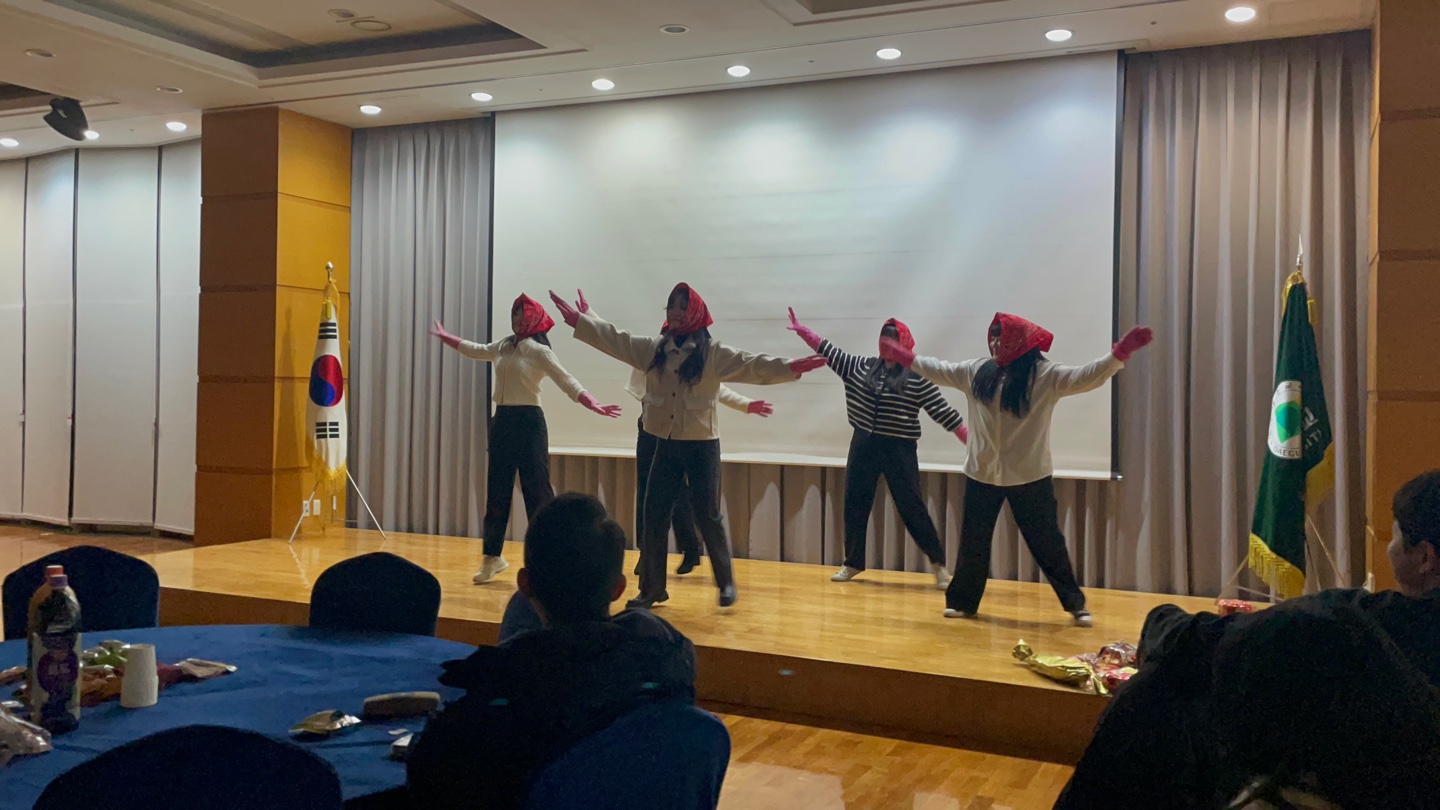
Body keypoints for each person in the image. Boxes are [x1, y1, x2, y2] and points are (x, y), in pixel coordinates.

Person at [1055, 470, 1440, 810]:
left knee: (1152, 694)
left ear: (1425, 558)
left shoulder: (1351, 626)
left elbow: (1208, 644)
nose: (1388, 547)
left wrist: (1161, 620)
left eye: (1394, 535)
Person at [407, 493, 699, 809]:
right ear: (618, 588)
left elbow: (427, 777)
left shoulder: (500, 694)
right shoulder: (666, 666)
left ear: (524, 582)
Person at [550, 284, 826, 609]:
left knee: (707, 515)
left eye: (682, 306)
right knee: (654, 515)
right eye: (671, 306)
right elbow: (618, 340)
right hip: (665, 444)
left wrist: (790, 368)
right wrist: (580, 322)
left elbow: (751, 364)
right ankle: (652, 589)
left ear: (695, 313)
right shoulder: (655, 349)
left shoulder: (712, 353)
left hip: (701, 446)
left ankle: (726, 583)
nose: (676, 312)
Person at [882, 313, 1154, 626]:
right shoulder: (977, 371)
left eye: (1003, 337)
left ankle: (1075, 604)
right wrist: (907, 357)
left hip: (1029, 476)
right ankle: (962, 603)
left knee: (1047, 543)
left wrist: (1119, 353)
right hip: (982, 473)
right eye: (993, 337)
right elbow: (939, 369)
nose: (996, 343)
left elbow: (1085, 377)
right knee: (973, 542)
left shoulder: (1045, 374)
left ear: (1020, 341)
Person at [429, 294, 622, 585]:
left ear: (533, 319)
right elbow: (477, 350)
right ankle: (492, 557)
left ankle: (548, 557)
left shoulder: (539, 351)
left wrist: (591, 402)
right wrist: (448, 338)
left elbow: (566, 379)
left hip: (530, 423)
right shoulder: (504, 346)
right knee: (497, 491)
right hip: (502, 421)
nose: (517, 320)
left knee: (537, 493)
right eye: (514, 314)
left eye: (522, 315)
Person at [787, 309, 967, 588]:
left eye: (893, 340)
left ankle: (939, 565)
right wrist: (804, 332)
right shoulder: (861, 366)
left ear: (904, 343)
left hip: (899, 448)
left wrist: (966, 436)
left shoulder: (917, 376)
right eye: (884, 339)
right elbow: (831, 352)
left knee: (911, 507)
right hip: (864, 443)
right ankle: (852, 562)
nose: (887, 345)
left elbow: (941, 410)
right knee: (855, 502)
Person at [627, 362, 773, 578]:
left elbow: (712, 386)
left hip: (677, 429)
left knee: (676, 491)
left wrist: (745, 404)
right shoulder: (649, 352)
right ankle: (648, 552)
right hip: (649, 425)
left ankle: (690, 547)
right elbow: (640, 384)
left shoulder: (693, 354)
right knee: (646, 489)